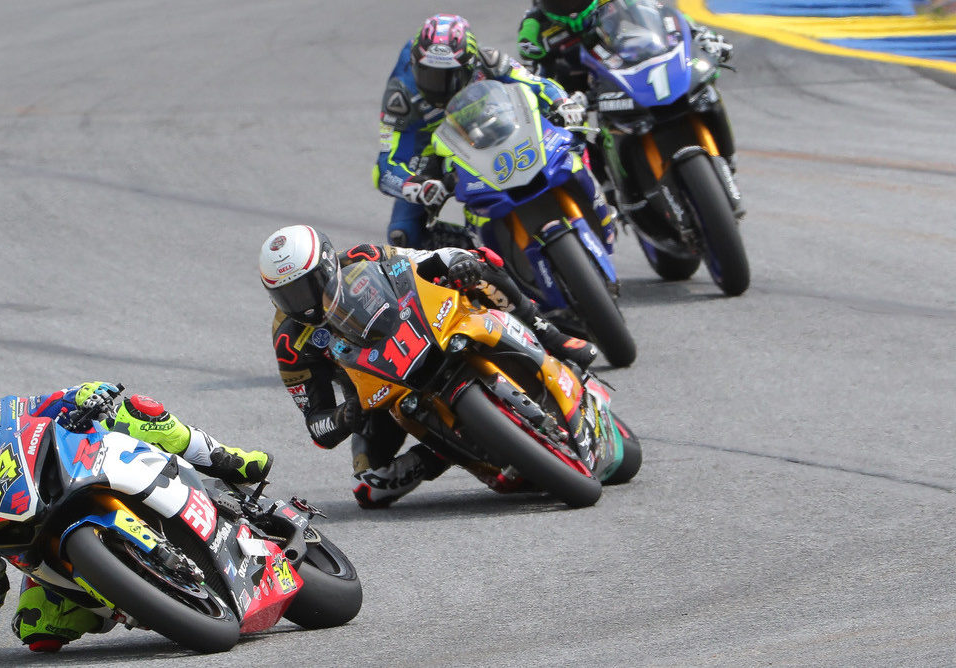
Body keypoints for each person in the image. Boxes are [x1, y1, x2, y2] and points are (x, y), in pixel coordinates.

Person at [0, 383, 271, 653]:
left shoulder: (6, 414)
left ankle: (226, 460)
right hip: (39, 547)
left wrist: (85, 395)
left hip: (78, 468)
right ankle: (138, 595)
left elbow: (57, 400)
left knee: (137, 411)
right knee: (37, 630)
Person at [259, 225, 598, 509]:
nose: (301, 301)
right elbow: (317, 426)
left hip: (421, 330)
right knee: (371, 489)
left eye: (307, 285)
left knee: (481, 265)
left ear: (329, 264)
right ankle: (438, 454)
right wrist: (344, 417)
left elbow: (424, 262)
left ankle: (552, 337)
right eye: (288, 294)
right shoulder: (289, 342)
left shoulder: (363, 257)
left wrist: (458, 264)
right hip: (375, 389)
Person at [373, 13, 586, 248]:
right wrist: (413, 185)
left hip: (489, 123)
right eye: (428, 74)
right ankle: (476, 256)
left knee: (569, 131)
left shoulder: (487, 59)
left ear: (469, 65)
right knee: (402, 234)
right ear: (414, 65)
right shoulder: (401, 96)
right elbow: (385, 166)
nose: (437, 85)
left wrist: (562, 103)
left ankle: (587, 183)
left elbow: (536, 84)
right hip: (432, 151)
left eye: (448, 76)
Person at [516, 0, 738, 186]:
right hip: (579, 91)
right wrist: (555, 105)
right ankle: (606, 188)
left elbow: (666, 18)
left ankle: (728, 155)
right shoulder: (532, 30)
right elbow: (535, 78)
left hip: (628, 68)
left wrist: (700, 34)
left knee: (704, 91)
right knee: (572, 143)